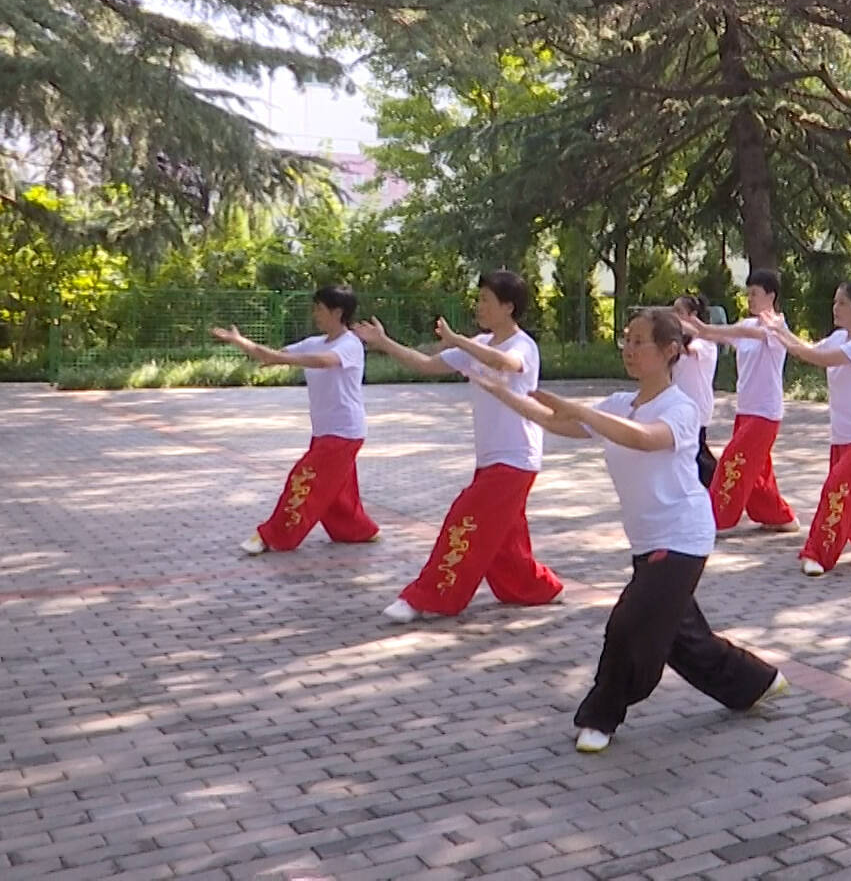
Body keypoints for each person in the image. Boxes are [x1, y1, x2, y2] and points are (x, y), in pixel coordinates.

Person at [473, 309, 787, 754]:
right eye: (626, 339)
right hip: (646, 538)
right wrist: (505, 395)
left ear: (670, 350)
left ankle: (601, 716)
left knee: (629, 623)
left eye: (639, 341)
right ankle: (758, 683)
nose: (629, 349)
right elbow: (558, 422)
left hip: (683, 536)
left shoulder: (681, 407)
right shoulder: (620, 403)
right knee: (685, 640)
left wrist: (583, 410)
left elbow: (643, 438)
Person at [353, 270, 565, 622]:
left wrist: (458, 340)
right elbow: (425, 365)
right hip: (491, 457)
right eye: (479, 298)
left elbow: (506, 363)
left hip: (516, 457)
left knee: (463, 520)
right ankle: (539, 587)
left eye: (486, 300)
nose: (479, 306)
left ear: (508, 307)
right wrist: (384, 342)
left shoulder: (521, 345)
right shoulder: (477, 345)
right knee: (503, 541)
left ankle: (426, 597)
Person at [212, 285, 381, 554]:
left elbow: (323, 362)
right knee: (337, 491)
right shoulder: (313, 342)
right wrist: (239, 341)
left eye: (320, 309)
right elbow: (272, 354)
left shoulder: (350, 345)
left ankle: (271, 536)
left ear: (338, 312)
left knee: (303, 480)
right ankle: (358, 530)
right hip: (325, 432)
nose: (315, 314)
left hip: (344, 432)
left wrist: (283, 358)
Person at [761, 280, 851, 576]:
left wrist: (780, 334)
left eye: (842, 303)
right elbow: (809, 348)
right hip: (844, 435)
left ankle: (817, 553)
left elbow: (819, 358)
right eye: (835, 302)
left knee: (837, 490)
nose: (835, 308)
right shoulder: (839, 336)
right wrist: (780, 330)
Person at [682, 269, 798, 534]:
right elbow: (721, 334)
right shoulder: (747, 325)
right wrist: (699, 329)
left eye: (755, 294)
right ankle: (779, 516)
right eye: (748, 294)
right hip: (745, 409)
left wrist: (708, 329)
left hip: (765, 413)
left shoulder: (778, 326)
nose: (750, 299)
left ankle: (714, 519)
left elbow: (753, 334)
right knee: (757, 472)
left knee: (733, 461)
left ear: (771, 295)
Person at [671, 294, 721, 487]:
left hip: (697, 406)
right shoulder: (679, 343)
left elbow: (690, 349)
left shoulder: (705, 343)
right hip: (679, 407)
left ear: (693, 315)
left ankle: (718, 485)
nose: (675, 316)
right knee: (686, 451)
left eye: (679, 312)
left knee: (697, 452)